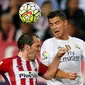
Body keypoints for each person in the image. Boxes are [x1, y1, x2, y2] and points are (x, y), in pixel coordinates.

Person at [0, 33, 70, 85]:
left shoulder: (35, 62)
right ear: (27, 47)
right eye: (37, 46)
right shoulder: (9, 63)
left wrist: (58, 56)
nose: (39, 50)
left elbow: (49, 74)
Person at [41, 10, 85, 85]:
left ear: (65, 23)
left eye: (57, 23)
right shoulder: (47, 44)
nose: (54, 27)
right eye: (51, 24)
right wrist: (66, 75)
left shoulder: (80, 43)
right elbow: (46, 72)